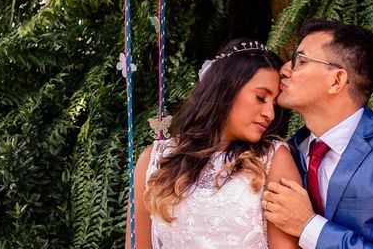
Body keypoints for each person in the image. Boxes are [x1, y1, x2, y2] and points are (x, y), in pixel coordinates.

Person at [262, 20, 373, 248]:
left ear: (336, 80)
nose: (284, 69)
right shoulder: (286, 151)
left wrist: (308, 226)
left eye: (300, 61)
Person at [126, 39, 302, 249]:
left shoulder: (273, 159)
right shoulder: (155, 159)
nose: (270, 114)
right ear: (226, 87)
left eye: (274, 104)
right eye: (261, 97)